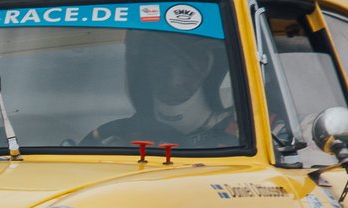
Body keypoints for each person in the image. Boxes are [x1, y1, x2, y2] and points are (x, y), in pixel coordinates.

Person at [93, 35, 239, 147]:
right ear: (143, 73)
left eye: (188, 67)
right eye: (161, 67)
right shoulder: (117, 135)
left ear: (209, 71)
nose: (174, 81)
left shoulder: (245, 134)